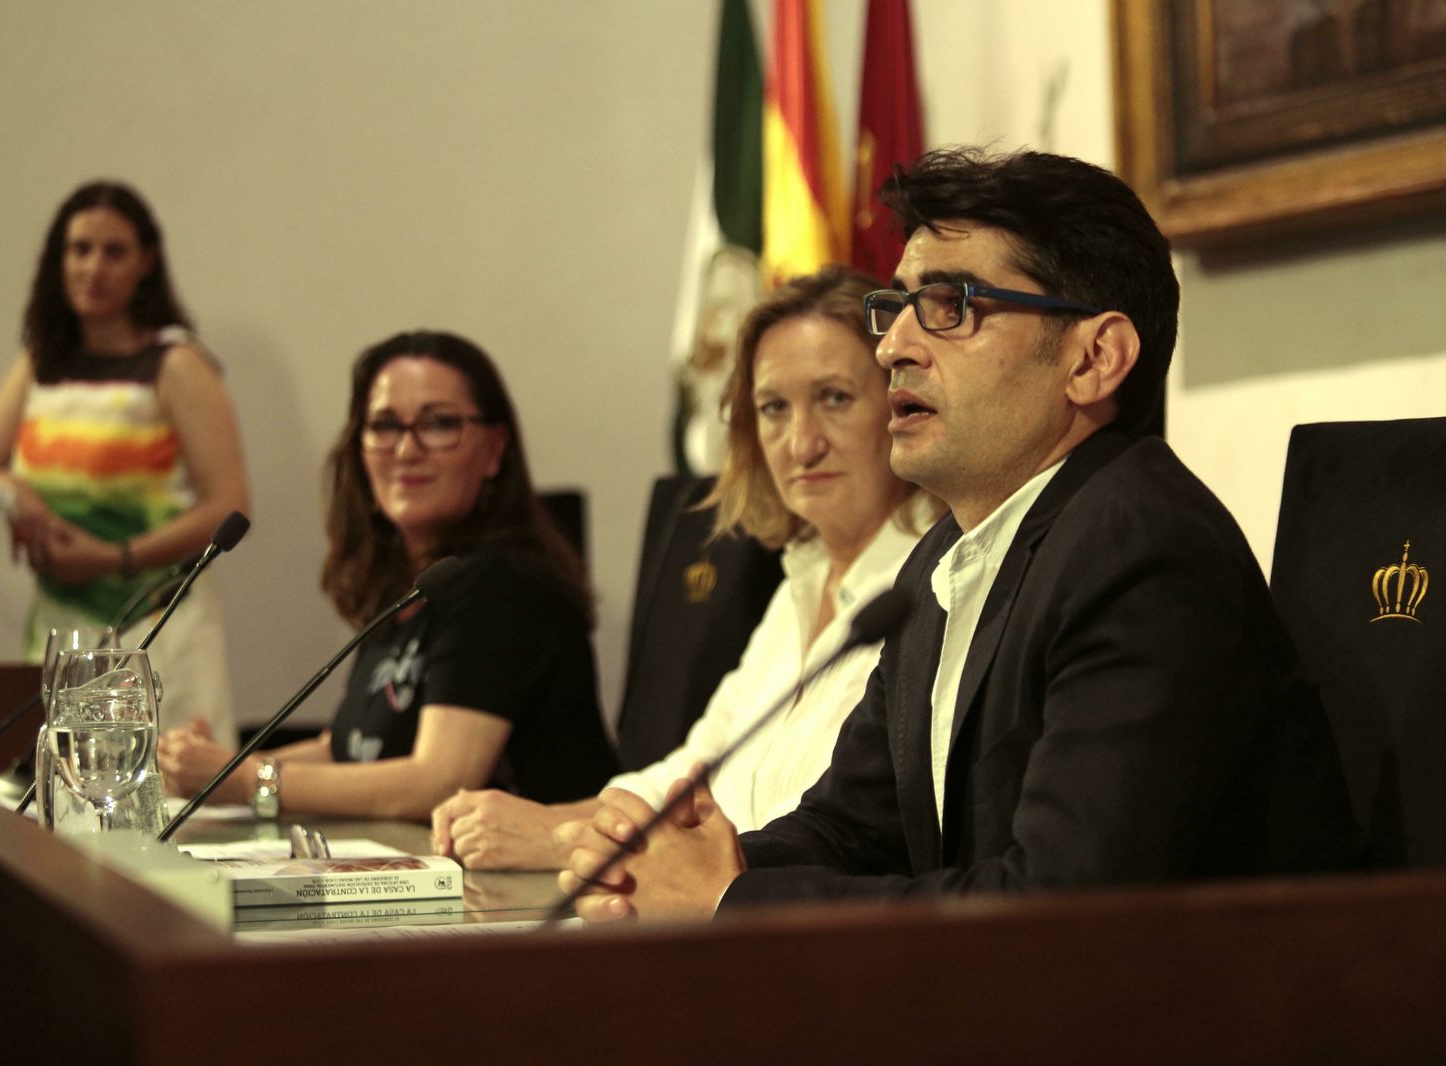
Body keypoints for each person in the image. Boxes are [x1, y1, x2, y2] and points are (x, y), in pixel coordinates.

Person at [559, 147, 1364, 922]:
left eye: (952, 306)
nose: (893, 347)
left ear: (1094, 358)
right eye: (898, 307)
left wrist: (729, 902)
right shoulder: (944, 559)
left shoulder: (1141, 549)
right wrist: (684, 868)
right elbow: (853, 831)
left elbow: (1062, 908)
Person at [430, 267, 944, 869]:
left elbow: (817, 833)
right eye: (773, 408)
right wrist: (538, 820)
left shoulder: (928, 587)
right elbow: (692, 772)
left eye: (835, 398)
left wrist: (559, 838)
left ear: (901, 404)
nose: (801, 444)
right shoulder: (799, 583)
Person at [157, 331, 618, 820]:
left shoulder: (502, 583)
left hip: (544, 864)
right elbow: (348, 749)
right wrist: (217, 768)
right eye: (384, 425)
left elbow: (437, 783)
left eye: (439, 424)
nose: (405, 450)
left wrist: (250, 781)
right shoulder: (408, 586)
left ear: (494, 449)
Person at [0, 181, 249, 742]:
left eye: (114, 252)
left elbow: (229, 507)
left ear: (146, 263)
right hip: (62, 626)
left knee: (161, 783)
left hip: (159, 627)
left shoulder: (177, 363)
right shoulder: (41, 363)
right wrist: (22, 495)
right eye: (80, 249)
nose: (95, 268)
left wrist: (113, 557)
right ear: (58, 260)